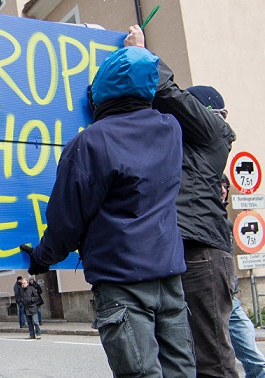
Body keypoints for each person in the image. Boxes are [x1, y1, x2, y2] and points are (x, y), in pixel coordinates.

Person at [20, 31, 196, 376]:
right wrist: (142, 54)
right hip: (169, 275)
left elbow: (67, 221)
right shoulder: (170, 129)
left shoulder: (91, 143)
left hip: (121, 280)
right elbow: (158, 90)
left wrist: (42, 257)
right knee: (182, 372)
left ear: (100, 90)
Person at [123, 23, 238, 376]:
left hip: (200, 254)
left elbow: (168, 93)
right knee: (186, 356)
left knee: (212, 358)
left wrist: (141, 54)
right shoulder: (187, 147)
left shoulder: (211, 130)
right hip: (183, 253)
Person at [220, 175, 265, 377]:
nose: (223, 190)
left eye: (225, 186)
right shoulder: (198, 220)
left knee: (257, 364)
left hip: (231, 297)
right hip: (209, 296)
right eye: (218, 185)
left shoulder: (226, 222)